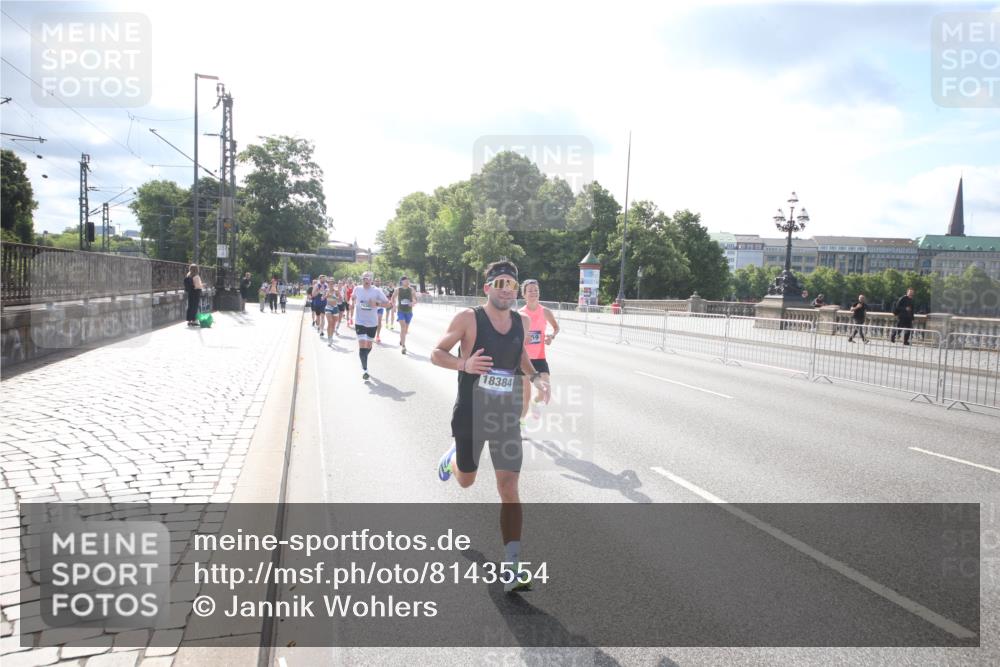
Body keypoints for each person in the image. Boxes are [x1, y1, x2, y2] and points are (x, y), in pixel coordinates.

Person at [431, 260, 550, 593]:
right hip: (470, 415)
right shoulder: (469, 319)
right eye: (499, 283)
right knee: (467, 481)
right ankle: (453, 459)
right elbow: (436, 353)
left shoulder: (522, 322)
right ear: (487, 288)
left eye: (511, 284)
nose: (507, 289)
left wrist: (536, 378)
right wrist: (464, 363)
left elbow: (520, 356)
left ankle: (513, 566)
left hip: (505, 417)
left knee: (509, 486)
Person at [518, 279, 559, 418]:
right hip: (524, 359)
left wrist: (551, 336)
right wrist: (523, 339)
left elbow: (556, 327)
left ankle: (535, 403)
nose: (533, 293)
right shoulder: (520, 314)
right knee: (525, 396)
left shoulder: (545, 311)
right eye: (530, 290)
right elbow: (513, 337)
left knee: (545, 389)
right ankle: (521, 424)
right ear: (524, 294)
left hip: (540, 358)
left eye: (536, 290)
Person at [350, 271, 390, 380]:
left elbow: (388, 304)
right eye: (364, 279)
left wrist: (376, 304)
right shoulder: (357, 289)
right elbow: (352, 297)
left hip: (372, 323)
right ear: (361, 280)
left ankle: (363, 358)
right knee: (362, 345)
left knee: (368, 346)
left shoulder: (377, 291)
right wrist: (351, 302)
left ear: (371, 280)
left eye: (368, 279)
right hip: (360, 321)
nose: (366, 281)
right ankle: (365, 369)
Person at [392, 276, 418, 354]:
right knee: (403, 328)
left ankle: (401, 340)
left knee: (405, 330)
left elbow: (415, 299)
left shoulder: (411, 289)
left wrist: (413, 303)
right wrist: (394, 306)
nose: (407, 282)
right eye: (405, 281)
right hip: (401, 311)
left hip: (409, 312)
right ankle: (403, 346)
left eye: (408, 281)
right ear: (402, 282)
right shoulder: (398, 289)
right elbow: (393, 298)